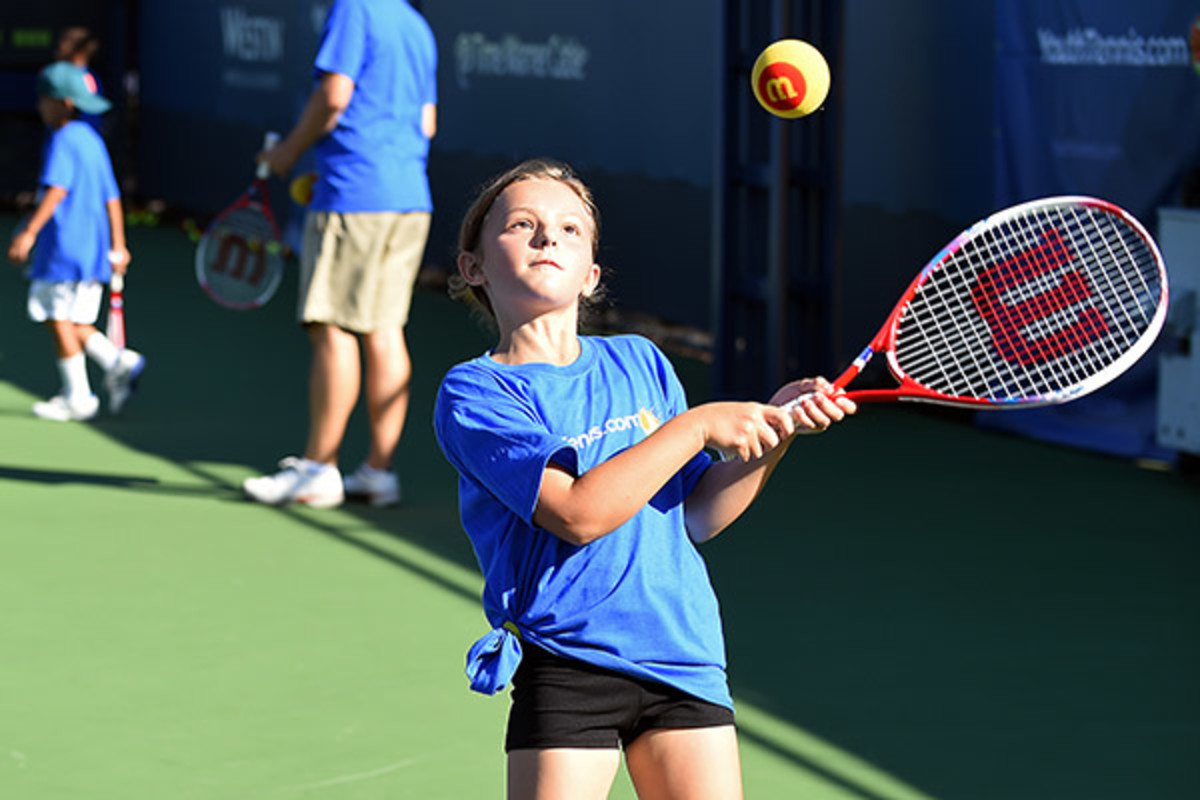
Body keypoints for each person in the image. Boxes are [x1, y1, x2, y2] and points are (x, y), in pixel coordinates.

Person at [433, 158, 857, 799]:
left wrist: (777, 435)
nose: (550, 237)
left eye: (572, 230)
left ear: (591, 276)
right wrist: (696, 428)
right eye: (524, 224)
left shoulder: (641, 362)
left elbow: (697, 513)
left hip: (682, 653)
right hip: (569, 663)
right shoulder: (476, 392)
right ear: (473, 267)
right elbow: (577, 513)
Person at [242, 0, 437, 509]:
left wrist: (287, 152)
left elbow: (334, 95)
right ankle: (379, 471)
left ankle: (318, 468)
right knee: (384, 328)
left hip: (355, 192)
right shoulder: (416, 26)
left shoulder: (355, 8)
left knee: (332, 326)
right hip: (409, 196)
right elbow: (427, 123)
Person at [7, 61, 144, 422]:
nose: (39, 106)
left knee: (57, 318)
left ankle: (82, 394)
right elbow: (112, 198)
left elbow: (57, 191)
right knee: (76, 322)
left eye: (44, 100)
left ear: (63, 103)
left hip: (62, 252)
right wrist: (119, 245)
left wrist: (29, 232)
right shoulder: (92, 139)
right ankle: (113, 365)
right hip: (94, 252)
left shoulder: (63, 139)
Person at [55, 27, 105, 135]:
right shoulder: (62, 75)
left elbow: (91, 117)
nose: (60, 47)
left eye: (65, 42)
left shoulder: (87, 79)